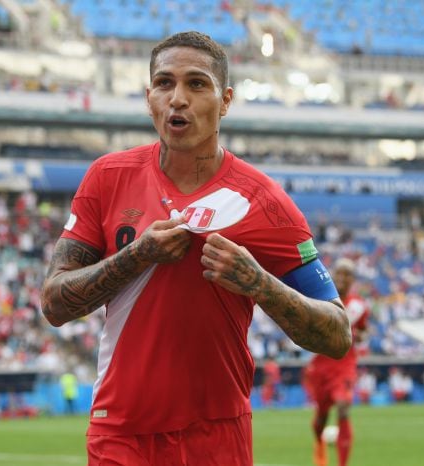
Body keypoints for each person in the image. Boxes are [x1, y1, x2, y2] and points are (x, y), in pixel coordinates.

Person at [41, 31, 352, 465]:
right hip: (121, 433)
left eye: (196, 84)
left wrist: (260, 284)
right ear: (149, 97)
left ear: (225, 101)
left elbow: (338, 333)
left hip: (218, 436)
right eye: (165, 84)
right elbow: (54, 303)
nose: (178, 98)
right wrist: (138, 255)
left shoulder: (264, 201)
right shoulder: (107, 177)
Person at [302, 258, 369, 466]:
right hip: (321, 366)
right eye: (339, 273)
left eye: (347, 274)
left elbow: (363, 330)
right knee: (321, 419)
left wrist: (359, 337)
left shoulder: (359, 306)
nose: (342, 277)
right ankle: (320, 448)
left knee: (343, 406)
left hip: (344, 364)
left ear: (353, 279)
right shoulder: (320, 299)